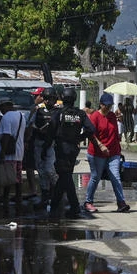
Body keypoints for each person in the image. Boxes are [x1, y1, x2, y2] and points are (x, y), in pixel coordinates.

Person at [42, 87, 98, 218]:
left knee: (65, 176)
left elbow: (51, 132)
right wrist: (80, 138)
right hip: (73, 149)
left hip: (61, 148)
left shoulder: (59, 113)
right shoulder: (80, 114)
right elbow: (91, 129)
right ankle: (56, 206)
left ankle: (73, 206)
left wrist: (45, 147)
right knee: (65, 175)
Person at [84, 93, 130, 213]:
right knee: (95, 177)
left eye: (110, 105)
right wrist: (101, 145)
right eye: (107, 105)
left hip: (113, 153)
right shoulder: (95, 117)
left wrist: (119, 151)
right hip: (97, 153)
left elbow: (114, 134)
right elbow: (91, 135)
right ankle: (88, 202)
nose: (109, 108)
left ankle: (121, 202)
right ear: (101, 104)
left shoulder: (112, 116)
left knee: (116, 177)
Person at [29, 87, 59, 205]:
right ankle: (45, 195)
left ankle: (57, 192)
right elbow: (30, 125)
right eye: (46, 99)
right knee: (41, 171)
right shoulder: (37, 110)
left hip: (51, 144)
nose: (48, 101)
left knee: (50, 170)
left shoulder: (58, 112)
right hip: (38, 143)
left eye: (50, 99)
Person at [0, 96, 26, 206]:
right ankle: (18, 196)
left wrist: (3, 151)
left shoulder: (6, 118)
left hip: (9, 153)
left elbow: (6, 135)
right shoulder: (21, 116)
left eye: (1, 108)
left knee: (8, 176)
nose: (0, 110)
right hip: (19, 152)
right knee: (18, 176)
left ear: (6, 106)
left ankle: (5, 197)